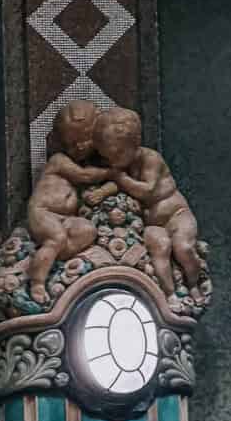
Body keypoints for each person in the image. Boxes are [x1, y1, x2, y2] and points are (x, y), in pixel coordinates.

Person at [85, 106, 203, 302]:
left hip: (177, 215)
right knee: (160, 249)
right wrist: (101, 192)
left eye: (118, 154)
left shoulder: (151, 159)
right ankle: (170, 295)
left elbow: (145, 189)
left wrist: (119, 178)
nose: (113, 162)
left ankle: (193, 284)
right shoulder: (122, 168)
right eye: (108, 157)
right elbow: (118, 184)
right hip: (153, 225)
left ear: (135, 142)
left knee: (183, 248)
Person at [25, 99, 111, 304]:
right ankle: (36, 281)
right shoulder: (58, 161)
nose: (79, 147)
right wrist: (113, 172)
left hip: (63, 218)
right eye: (71, 143)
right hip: (42, 213)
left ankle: (56, 261)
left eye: (84, 139)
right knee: (56, 238)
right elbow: (84, 176)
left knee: (87, 230)